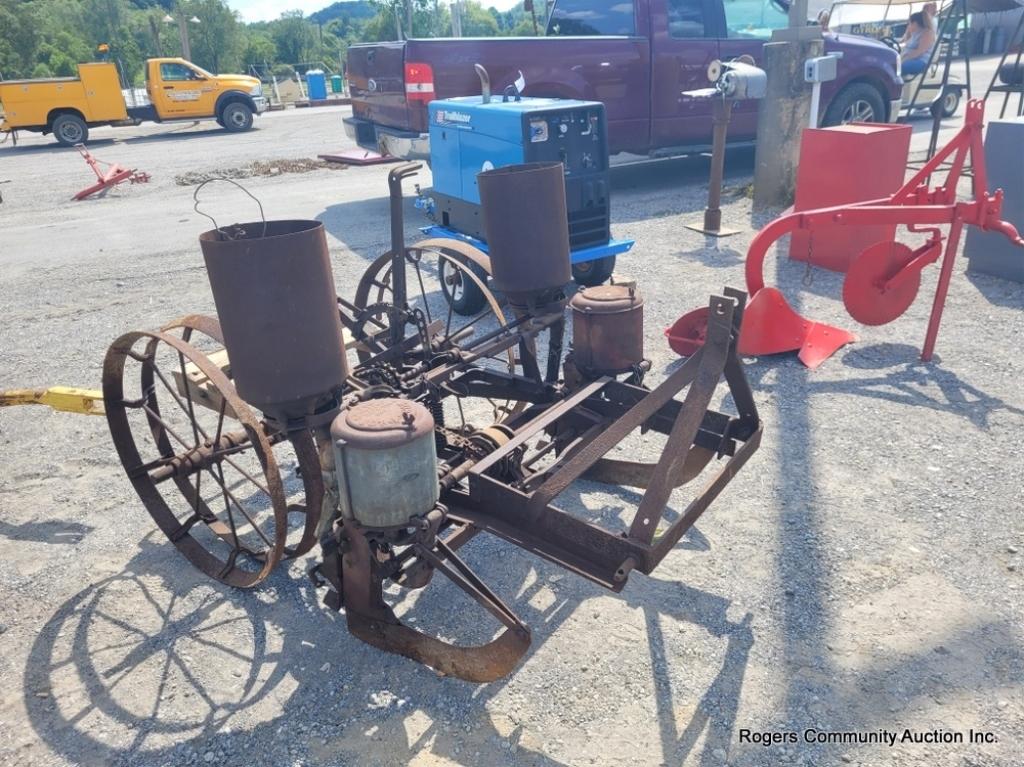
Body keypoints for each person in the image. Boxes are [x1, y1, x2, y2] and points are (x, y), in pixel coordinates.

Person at [900, 12, 936, 76]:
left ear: (915, 23)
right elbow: (905, 43)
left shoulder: (927, 33)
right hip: (910, 59)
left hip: (921, 61)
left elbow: (919, 52)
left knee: (897, 67)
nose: (908, 25)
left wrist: (903, 59)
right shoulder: (915, 33)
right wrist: (908, 31)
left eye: (910, 23)